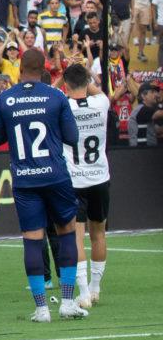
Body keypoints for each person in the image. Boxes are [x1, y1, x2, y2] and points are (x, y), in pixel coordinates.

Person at [0, 49, 86, 322]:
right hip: (56, 176)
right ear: (44, 69)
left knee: (32, 239)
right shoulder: (56, 96)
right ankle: (67, 302)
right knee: (67, 231)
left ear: (19, 68)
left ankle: (42, 309)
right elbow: (72, 136)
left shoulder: (5, 99)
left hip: (25, 179)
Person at [59, 63, 111, 308]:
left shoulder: (63, 106)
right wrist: (87, 77)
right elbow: (94, 90)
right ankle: (95, 288)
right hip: (100, 177)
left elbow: (62, 91)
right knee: (98, 234)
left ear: (66, 85)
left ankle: (82, 293)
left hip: (75, 179)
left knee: (76, 236)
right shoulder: (102, 103)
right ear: (88, 81)